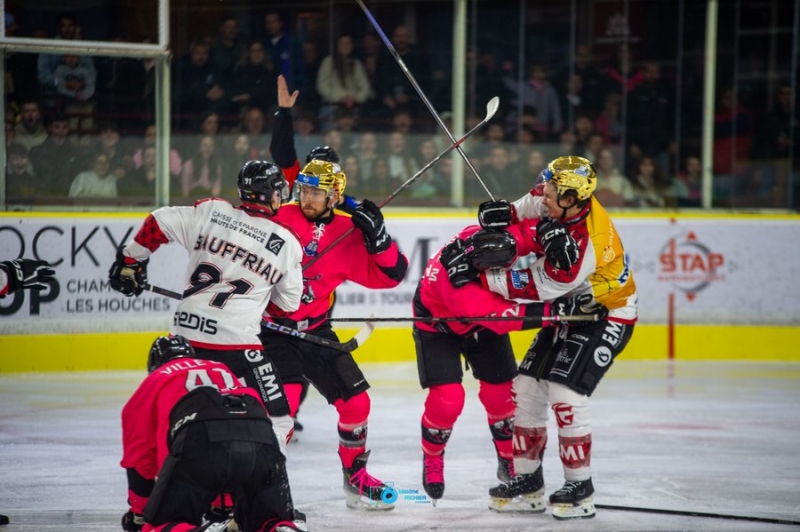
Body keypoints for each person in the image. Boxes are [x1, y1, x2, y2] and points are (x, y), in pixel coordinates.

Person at [108, 160, 303, 468]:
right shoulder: (288, 244)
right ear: (272, 195)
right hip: (239, 346)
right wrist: (261, 300)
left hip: (185, 340)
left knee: (177, 417)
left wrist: (130, 262)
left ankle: (168, 490)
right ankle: (260, 496)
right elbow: (286, 308)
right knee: (278, 421)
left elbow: (159, 222)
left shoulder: (212, 212)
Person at [475, 155, 638, 520]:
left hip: (606, 314)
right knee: (528, 386)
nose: (542, 190)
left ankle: (580, 487)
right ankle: (528, 483)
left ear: (569, 198)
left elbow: (537, 286)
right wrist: (504, 215)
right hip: (569, 309)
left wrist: (483, 278)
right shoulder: (556, 200)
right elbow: (524, 208)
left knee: (565, 392)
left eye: (549, 187)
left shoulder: (588, 244)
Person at [413, 223, 603, 507]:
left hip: (482, 317)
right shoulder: (460, 287)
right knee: (447, 401)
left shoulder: (479, 235)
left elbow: (523, 231)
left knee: (501, 397)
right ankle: (432, 457)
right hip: (438, 327)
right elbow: (505, 317)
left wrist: (548, 233)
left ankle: (508, 461)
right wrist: (559, 311)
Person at [259, 159, 409, 511]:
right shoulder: (279, 216)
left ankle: (356, 480)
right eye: (304, 190)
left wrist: (379, 238)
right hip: (271, 331)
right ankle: (259, 491)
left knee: (357, 403)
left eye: (316, 192)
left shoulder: (348, 229)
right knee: (285, 409)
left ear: (335, 195)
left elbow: (393, 275)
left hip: (314, 330)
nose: (307, 198)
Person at [120, 335, 304, 532]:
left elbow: (140, 458)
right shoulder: (221, 368)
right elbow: (232, 434)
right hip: (262, 438)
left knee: (160, 526)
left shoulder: (157, 378)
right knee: (267, 521)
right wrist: (222, 507)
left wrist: (141, 513)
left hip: (201, 440)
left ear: (155, 364)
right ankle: (280, 525)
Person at [269, 74, 360, 214]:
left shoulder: (342, 200)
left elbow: (360, 209)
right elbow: (281, 151)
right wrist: (284, 113)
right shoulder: (295, 184)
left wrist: (342, 202)